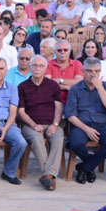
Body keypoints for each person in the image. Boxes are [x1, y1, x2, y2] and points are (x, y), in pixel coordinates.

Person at [64, 57, 106, 184]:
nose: (93, 74)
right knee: (76, 143)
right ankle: (89, 167)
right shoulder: (75, 89)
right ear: (83, 72)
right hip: (81, 124)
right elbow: (70, 115)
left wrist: (99, 88)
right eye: (89, 71)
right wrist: (86, 129)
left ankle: (83, 167)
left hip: (102, 124)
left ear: (100, 72)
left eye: (96, 71)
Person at [18, 55, 64, 191]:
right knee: (37, 139)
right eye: (35, 66)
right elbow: (21, 111)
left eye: (41, 66)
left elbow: (59, 107)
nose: (37, 68)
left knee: (58, 138)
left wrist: (55, 125)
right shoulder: (23, 87)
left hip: (51, 124)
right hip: (30, 125)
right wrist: (33, 125)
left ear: (46, 68)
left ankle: (47, 176)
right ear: (30, 67)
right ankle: (49, 175)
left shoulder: (53, 85)